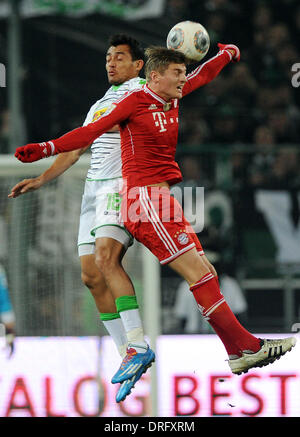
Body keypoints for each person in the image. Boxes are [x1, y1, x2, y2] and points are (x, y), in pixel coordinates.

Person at [14, 43, 296, 383]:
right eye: (176, 73)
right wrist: (45, 148)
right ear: (154, 76)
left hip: (163, 200)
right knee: (195, 273)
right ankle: (240, 347)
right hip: (143, 201)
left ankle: (239, 352)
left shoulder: (172, 96)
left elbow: (203, 74)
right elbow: (88, 133)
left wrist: (228, 53)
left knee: (205, 271)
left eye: (182, 73)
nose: (182, 78)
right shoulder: (133, 102)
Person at [9, 34, 151, 403]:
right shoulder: (100, 105)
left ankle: (139, 343)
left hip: (121, 187)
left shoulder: (143, 93)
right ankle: (127, 356)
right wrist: (41, 178)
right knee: (90, 277)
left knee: (106, 259)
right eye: (108, 57)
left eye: (120, 57)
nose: (111, 62)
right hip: (92, 193)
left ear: (138, 65)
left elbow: (176, 87)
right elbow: (75, 151)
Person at [0, 263, 16, 358]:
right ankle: (10, 343)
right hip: (4, 303)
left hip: (4, 303)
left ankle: (10, 344)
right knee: (9, 325)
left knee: (9, 325)